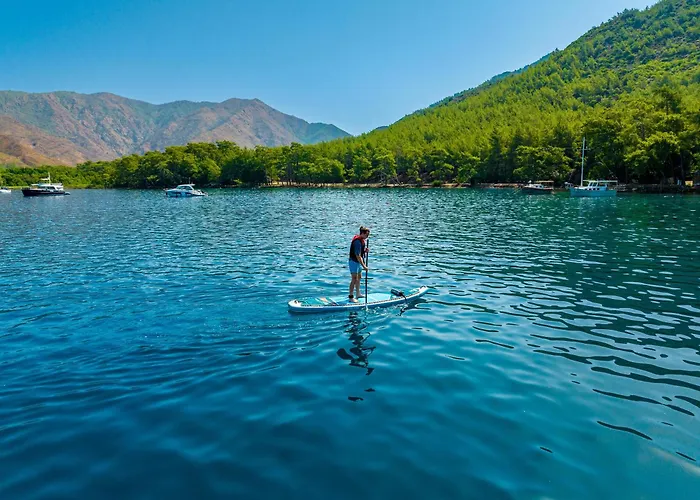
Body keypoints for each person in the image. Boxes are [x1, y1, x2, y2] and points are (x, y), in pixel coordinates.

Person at [348, 226, 370, 303]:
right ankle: (351, 297)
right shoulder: (357, 242)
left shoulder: (361, 240)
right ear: (362, 233)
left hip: (358, 262)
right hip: (354, 262)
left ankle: (358, 293)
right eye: (367, 235)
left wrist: (364, 250)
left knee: (359, 277)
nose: (367, 236)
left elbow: (360, 252)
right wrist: (364, 266)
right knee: (354, 279)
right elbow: (358, 256)